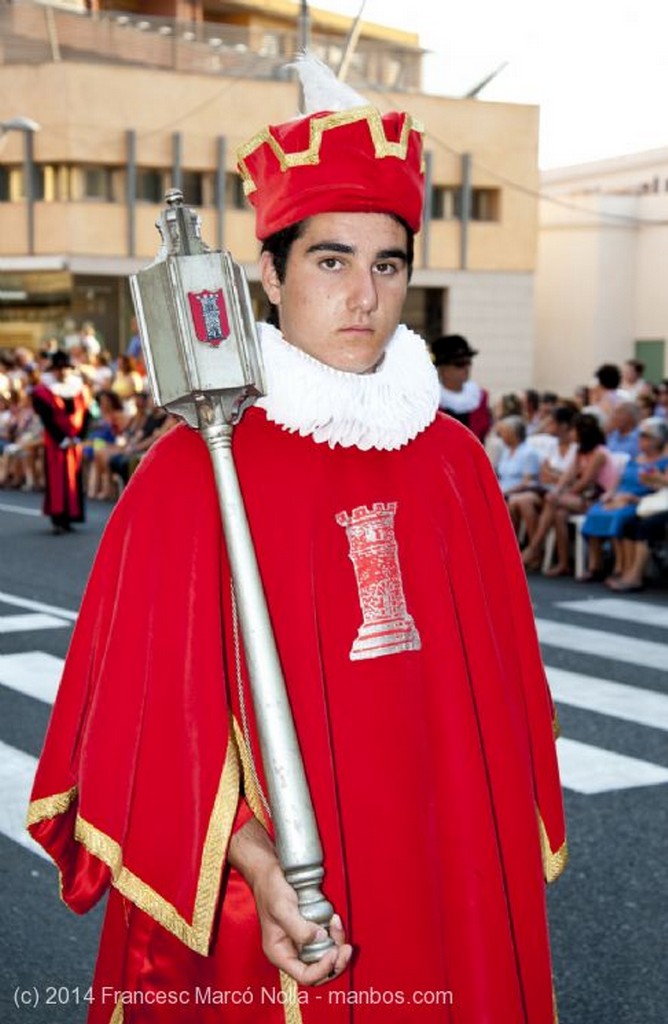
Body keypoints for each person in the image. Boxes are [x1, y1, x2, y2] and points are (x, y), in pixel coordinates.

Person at [28, 55, 566, 1024]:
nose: (363, 294)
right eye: (330, 261)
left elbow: (503, 722)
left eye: (386, 264)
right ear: (269, 275)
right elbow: (137, 726)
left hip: (444, 886)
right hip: (269, 920)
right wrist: (248, 857)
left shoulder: (457, 464)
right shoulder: (195, 467)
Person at [522, 412, 620, 576]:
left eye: (574, 430)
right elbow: (568, 476)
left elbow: (585, 483)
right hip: (583, 497)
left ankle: (535, 547)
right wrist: (558, 490)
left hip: (599, 499)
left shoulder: (599, 454)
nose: (571, 434)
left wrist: (559, 495)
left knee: (553, 501)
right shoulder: (580, 452)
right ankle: (563, 563)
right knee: (559, 514)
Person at [580, 417, 668, 581]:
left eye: (645, 436)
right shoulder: (634, 460)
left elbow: (661, 490)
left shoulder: (663, 462)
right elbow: (618, 481)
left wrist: (632, 496)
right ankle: (595, 564)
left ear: (658, 439)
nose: (640, 439)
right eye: (641, 436)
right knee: (595, 512)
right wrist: (610, 495)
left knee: (620, 516)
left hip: (639, 499)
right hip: (621, 496)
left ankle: (620, 567)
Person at [31, 350, 90, 534]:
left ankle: (71, 517)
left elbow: (87, 415)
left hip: (75, 442)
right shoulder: (43, 392)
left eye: (65, 368)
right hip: (56, 443)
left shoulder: (81, 389)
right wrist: (62, 439)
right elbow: (46, 420)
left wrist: (80, 436)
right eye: (58, 368)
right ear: (53, 370)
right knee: (57, 480)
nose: (62, 372)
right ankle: (58, 518)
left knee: (73, 479)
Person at [429, 333, 492, 443]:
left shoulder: (480, 398)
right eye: (459, 363)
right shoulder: (430, 401)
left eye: (468, 362)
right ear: (443, 369)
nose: (466, 368)